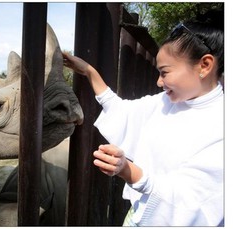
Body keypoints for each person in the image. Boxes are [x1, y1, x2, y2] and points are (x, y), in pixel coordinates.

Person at [62, 12, 224, 226]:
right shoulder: (166, 102)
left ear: (204, 65)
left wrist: (127, 170)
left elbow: (192, 206)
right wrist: (89, 71)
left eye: (165, 72)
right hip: (139, 215)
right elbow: (122, 110)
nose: (158, 82)